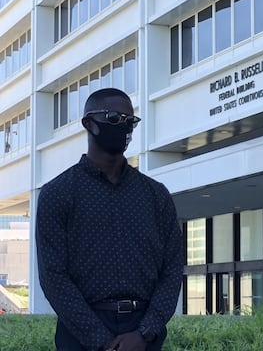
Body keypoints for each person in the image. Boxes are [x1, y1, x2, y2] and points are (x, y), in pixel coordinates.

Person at [36, 88, 183, 351]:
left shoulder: (156, 195)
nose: (124, 125)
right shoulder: (57, 194)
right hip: (80, 336)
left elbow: (172, 271)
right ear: (89, 124)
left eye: (130, 120)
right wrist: (100, 340)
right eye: (114, 118)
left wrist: (145, 332)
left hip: (144, 336)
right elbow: (53, 275)